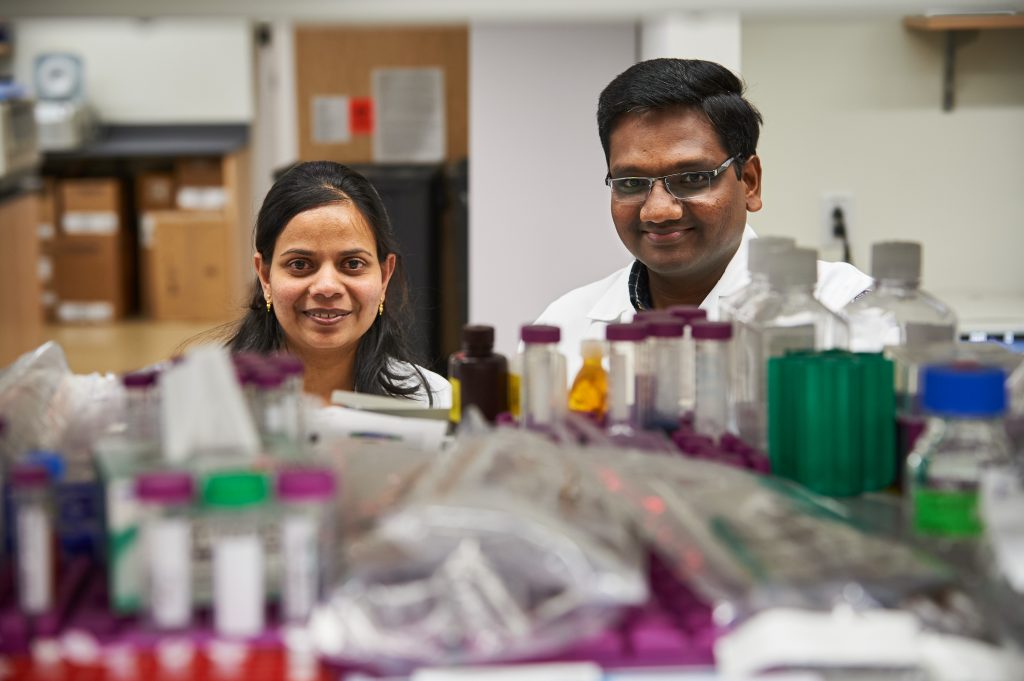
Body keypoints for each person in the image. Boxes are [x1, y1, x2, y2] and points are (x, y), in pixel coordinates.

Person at [533, 58, 872, 377]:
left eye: (694, 178)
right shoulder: (563, 325)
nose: (659, 210)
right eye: (632, 183)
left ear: (750, 182)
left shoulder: (845, 308)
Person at [226, 161, 450, 406]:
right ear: (265, 276)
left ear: (385, 276)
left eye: (352, 264)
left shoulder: (431, 401)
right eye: (300, 264)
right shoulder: (210, 401)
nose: (327, 287)